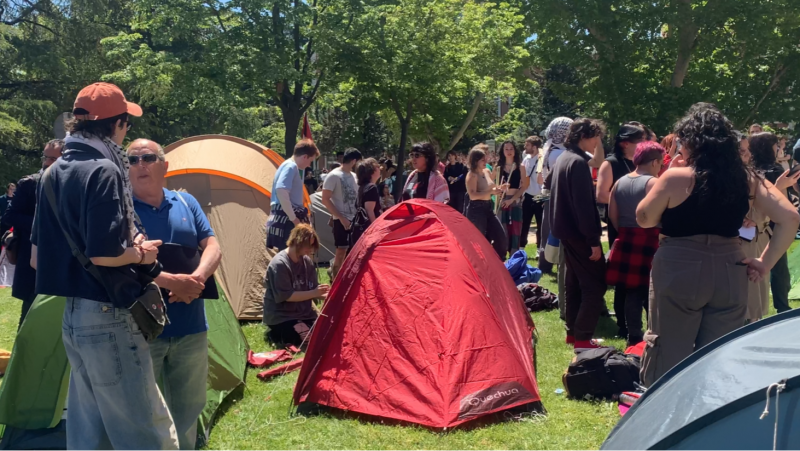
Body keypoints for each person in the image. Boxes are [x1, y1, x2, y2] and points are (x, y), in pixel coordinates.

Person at [31, 82, 178, 449]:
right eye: (126, 123)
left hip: (73, 316)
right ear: (116, 125)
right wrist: (141, 254)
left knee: (89, 430)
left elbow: (36, 257)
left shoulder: (52, 172)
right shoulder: (104, 170)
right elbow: (104, 254)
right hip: (109, 312)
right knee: (144, 428)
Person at [637, 103, 799, 387]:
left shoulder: (677, 177)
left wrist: (666, 177)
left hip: (679, 267)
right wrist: (764, 263)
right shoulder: (747, 178)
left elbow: (644, 218)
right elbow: (790, 217)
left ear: (689, 144)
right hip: (729, 266)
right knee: (719, 356)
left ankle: (663, 416)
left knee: (668, 350)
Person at [128, 139, 222, 451]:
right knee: (145, 411)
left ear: (164, 165)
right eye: (132, 159)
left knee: (188, 407)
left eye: (148, 157)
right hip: (143, 329)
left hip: (191, 326)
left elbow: (212, 245)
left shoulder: (185, 202)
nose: (140, 164)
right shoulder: (122, 210)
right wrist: (173, 284)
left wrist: (197, 279)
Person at [549, 118, 608, 349]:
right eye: (596, 137)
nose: (597, 142)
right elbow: (583, 206)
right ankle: (583, 338)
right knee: (595, 285)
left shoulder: (564, 158)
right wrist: (593, 240)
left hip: (566, 232)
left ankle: (574, 333)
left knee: (573, 283)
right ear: (584, 136)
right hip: (579, 234)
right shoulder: (577, 162)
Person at [607, 142, 665, 346]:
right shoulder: (654, 183)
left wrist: (624, 229)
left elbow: (612, 215)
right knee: (651, 290)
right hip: (649, 239)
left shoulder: (619, 182)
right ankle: (651, 331)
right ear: (656, 161)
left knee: (631, 290)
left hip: (625, 237)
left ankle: (632, 334)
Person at [2, 140, 63, 326]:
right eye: (46, 157)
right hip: (32, 261)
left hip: (62, 261)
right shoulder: (29, 184)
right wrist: (44, 225)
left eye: (54, 158)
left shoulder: (72, 184)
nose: (47, 162)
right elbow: (10, 216)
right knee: (29, 317)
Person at [596, 123, 647, 339]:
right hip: (621, 225)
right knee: (624, 280)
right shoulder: (611, 163)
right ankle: (623, 324)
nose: (644, 145)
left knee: (640, 278)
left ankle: (636, 321)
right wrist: (628, 202)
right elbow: (601, 194)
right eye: (640, 141)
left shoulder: (638, 164)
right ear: (625, 143)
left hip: (641, 227)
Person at [749, 131, 799, 314]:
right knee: (779, 270)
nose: (778, 148)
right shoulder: (776, 171)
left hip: (751, 227)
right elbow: (785, 206)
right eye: (775, 145)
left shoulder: (749, 171)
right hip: (772, 226)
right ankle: (782, 307)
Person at [263, 224, 329, 349]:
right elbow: (287, 296)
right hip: (282, 316)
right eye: (308, 247)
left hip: (304, 313)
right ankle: (275, 334)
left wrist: (330, 295)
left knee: (324, 331)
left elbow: (313, 289)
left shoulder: (306, 261)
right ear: (298, 242)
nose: (310, 251)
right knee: (299, 337)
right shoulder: (280, 264)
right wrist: (314, 293)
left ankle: (302, 325)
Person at [737, 133, 769, 322]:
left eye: (748, 151)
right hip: (729, 245)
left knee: (756, 296)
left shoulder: (755, 178)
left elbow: (775, 215)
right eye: (742, 152)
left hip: (755, 239)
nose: (748, 155)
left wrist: (758, 220)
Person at [266, 139, 319, 251]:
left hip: (284, 218)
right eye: (310, 161)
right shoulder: (291, 166)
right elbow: (281, 190)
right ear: (305, 156)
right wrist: (294, 219)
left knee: (291, 257)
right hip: (287, 221)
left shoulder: (287, 165)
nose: (309, 165)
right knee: (292, 256)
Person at [322, 148, 361, 280]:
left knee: (352, 251)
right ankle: (335, 280)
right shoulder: (333, 175)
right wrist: (341, 218)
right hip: (340, 220)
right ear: (354, 161)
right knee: (341, 251)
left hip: (354, 219)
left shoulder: (354, 176)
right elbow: (325, 199)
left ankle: (342, 278)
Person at [465, 146, 508, 260]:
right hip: (476, 210)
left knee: (501, 238)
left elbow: (490, 190)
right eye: (482, 160)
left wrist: (499, 189)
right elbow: (473, 195)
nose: (486, 162)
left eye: (485, 159)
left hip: (488, 207)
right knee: (479, 242)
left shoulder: (487, 171)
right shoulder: (472, 175)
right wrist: (491, 192)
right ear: (475, 161)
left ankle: (497, 263)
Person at [493, 141, 527, 255]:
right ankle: (501, 254)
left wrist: (512, 199)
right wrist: (497, 190)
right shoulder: (498, 167)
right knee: (502, 229)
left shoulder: (520, 166)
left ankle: (514, 255)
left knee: (516, 229)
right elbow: (491, 184)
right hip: (501, 200)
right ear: (502, 151)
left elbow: (524, 186)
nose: (509, 151)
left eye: (511, 149)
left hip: (515, 200)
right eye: (506, 149)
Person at [521, 136, 544, 251]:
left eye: (528, 145)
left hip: (540, 196)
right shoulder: (526, 159)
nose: (525, 147)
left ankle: (539, 249)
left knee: (540, 224)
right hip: (528, 195)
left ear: (534, 147)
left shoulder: (542, 160)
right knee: (525, 223)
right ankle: (521, 247)